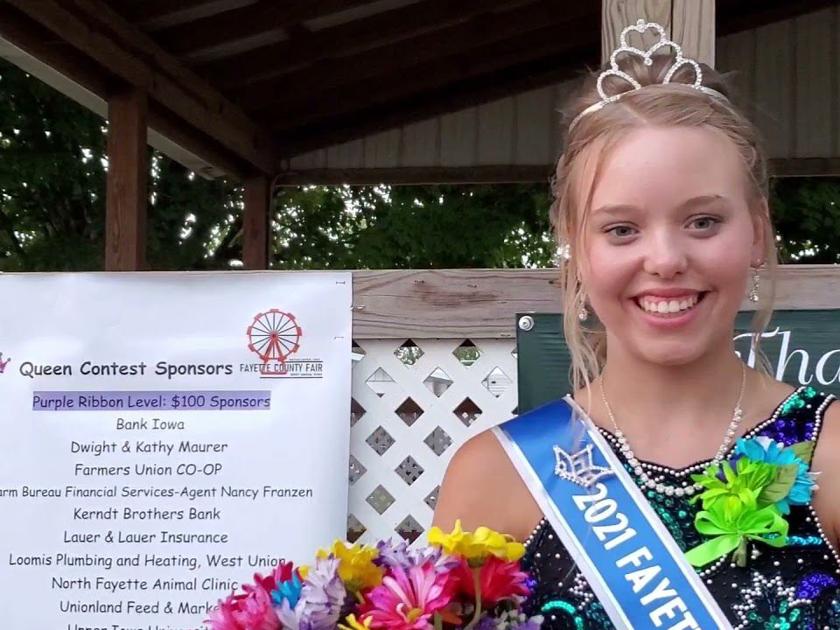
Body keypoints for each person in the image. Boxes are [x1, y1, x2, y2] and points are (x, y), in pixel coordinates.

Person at [433, 20, 840, 630]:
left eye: (702, 221)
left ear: (756, 231)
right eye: (621, 229)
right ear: (576, 246)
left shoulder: (830, 455)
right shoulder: (496, 474)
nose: (667, 260)